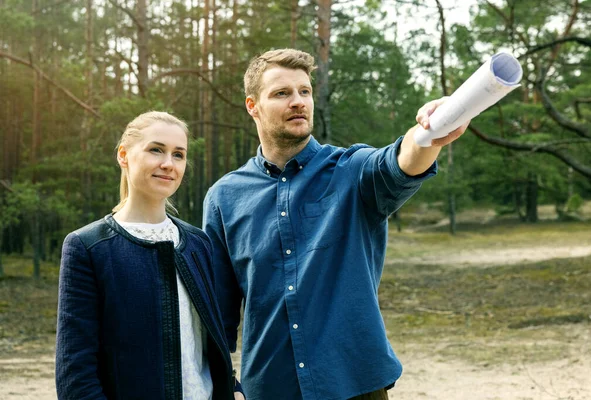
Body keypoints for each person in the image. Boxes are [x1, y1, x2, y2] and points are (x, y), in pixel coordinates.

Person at [202, 49, 469, 400]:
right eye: (282, 93)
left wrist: (430, 133)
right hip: (270, 387)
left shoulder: (351, 169)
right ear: (253, 106)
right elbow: (217, 313)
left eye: (304, 91)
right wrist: (221, 386)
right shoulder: (224, 198)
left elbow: (400, 162)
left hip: (355, 382)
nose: (298, 101)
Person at [56, 111, 244, 400]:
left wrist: (234, 389)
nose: (168, 164)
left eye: (178, 154)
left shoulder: (198, 243)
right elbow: (75, 374)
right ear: (123, 155)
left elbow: (207, 345)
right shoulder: (87, 247)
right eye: (156, 150)